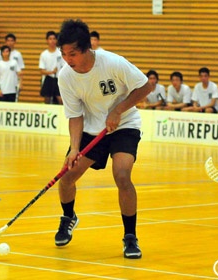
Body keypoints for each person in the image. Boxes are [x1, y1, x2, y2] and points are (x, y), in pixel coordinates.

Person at [55, 19, 152, 259]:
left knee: (121, 174)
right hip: (91, 130)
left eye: (73, 53)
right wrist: (74, 148)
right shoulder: (66, 76)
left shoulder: (112, 63)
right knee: (67, 177)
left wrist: (119, 110)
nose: (68, 59)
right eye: (64, 54)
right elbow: (75, 115)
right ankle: (69, 217)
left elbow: (145, 86)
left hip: (124, 125)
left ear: (87, 48)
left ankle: (130, 237)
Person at [0, 33, 25, 99]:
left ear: (15, 42)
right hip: (2, 84)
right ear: (5, 41)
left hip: (13, 84)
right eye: (8, 40)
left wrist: (21, 83)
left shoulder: (18, 54)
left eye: (12, 40)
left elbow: (20, 70)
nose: (10, 42)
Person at [39, 31, 64, 104]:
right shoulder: (44, 54)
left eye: (54, 39)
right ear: (47, 40)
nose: (52, 41)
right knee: (47, 99)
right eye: (50, 39)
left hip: (59, 79)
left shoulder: (60, 52)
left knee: (60, 99)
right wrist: (51, 72)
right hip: (48, 79)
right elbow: (41, 71)